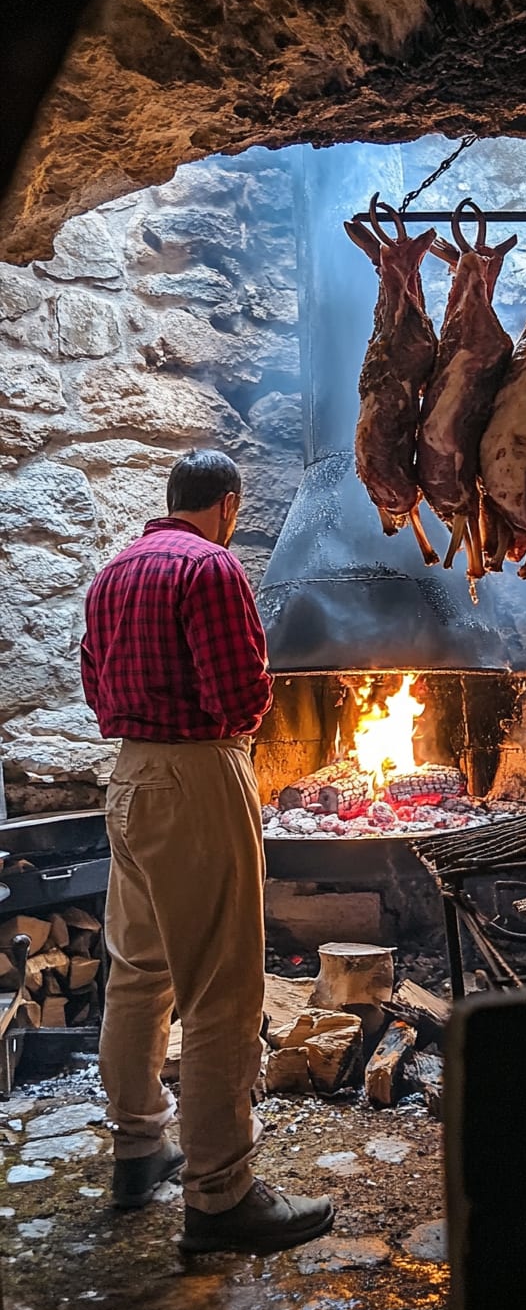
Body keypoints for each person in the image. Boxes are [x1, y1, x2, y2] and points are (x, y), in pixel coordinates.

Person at [81, 448, 334, 1254]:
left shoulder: (113, 572)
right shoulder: (212, 568)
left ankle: (137, 1148)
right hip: (198, 774)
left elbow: (94, 688)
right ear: (227, 504)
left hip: (129, 775)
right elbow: (242, 693)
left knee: (140, 972)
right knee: (222, 990)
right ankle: (222, 1195)